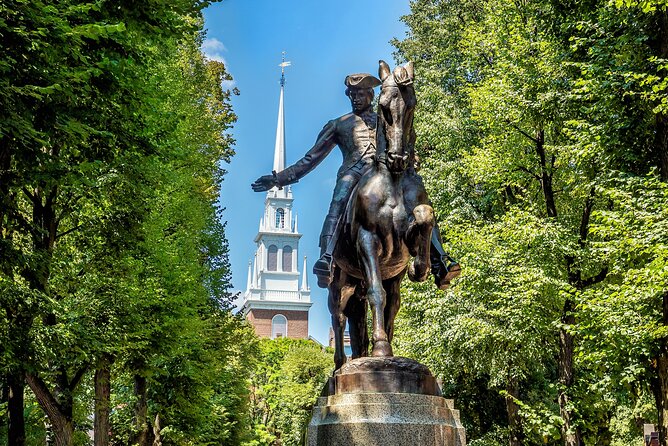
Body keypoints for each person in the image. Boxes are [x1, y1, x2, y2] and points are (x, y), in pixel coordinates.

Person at [251, 73, 458, 288]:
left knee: (419, 200)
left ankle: (439, 260)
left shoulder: (385, 120)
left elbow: (402, 140)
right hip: (354, 173)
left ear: (371, 95)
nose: (355, 98)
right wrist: (278, 179)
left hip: (385, 174)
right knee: (338, 203)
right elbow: (310, 159)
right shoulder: (338, 125)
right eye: (352, 95)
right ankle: (327, 257)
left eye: (360, 94)